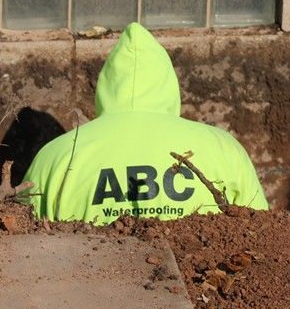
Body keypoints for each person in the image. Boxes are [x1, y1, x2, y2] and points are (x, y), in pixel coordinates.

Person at [22, 22, 269, 224]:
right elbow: (263, 232)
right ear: (168, 84)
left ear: (106, 86)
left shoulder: (54, 156)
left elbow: (19, 247)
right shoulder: (224, 148)